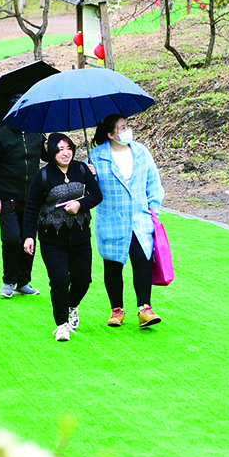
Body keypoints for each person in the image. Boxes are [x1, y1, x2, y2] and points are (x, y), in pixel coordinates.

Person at [22, 133, 102, 341]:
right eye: (59, 149)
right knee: (59, 280)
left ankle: (72, 306)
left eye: (68, 148)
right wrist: (29, 236)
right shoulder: (44, 176)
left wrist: (80, 205)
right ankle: (61, 325)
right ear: (51, 153)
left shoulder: (82, 169)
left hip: (80, 236)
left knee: (83, 280)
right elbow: (31, 208)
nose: (65, 153)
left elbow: (96, 195)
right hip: (52, 238)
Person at [88, 113, 164, 329]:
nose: (127, 130)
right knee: (113, 264)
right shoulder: (96, 156)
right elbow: (90, 190)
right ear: (111, 134)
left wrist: (153, 209)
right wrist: (89, 175)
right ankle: (116, 310)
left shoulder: (141, 152)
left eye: (127, 126)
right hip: (112, 219)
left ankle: (145, 309)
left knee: (142, 260)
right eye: (122, 128)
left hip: (140, 217)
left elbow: (153, 181)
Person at [0, 97, 42, 299]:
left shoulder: (37, 133)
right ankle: (9, 281)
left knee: (29, 239)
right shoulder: (2, 135)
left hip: (32, 198)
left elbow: (50, 156)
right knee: (11, 238)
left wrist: (56, 145)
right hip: (7, 198)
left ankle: (23, 281)